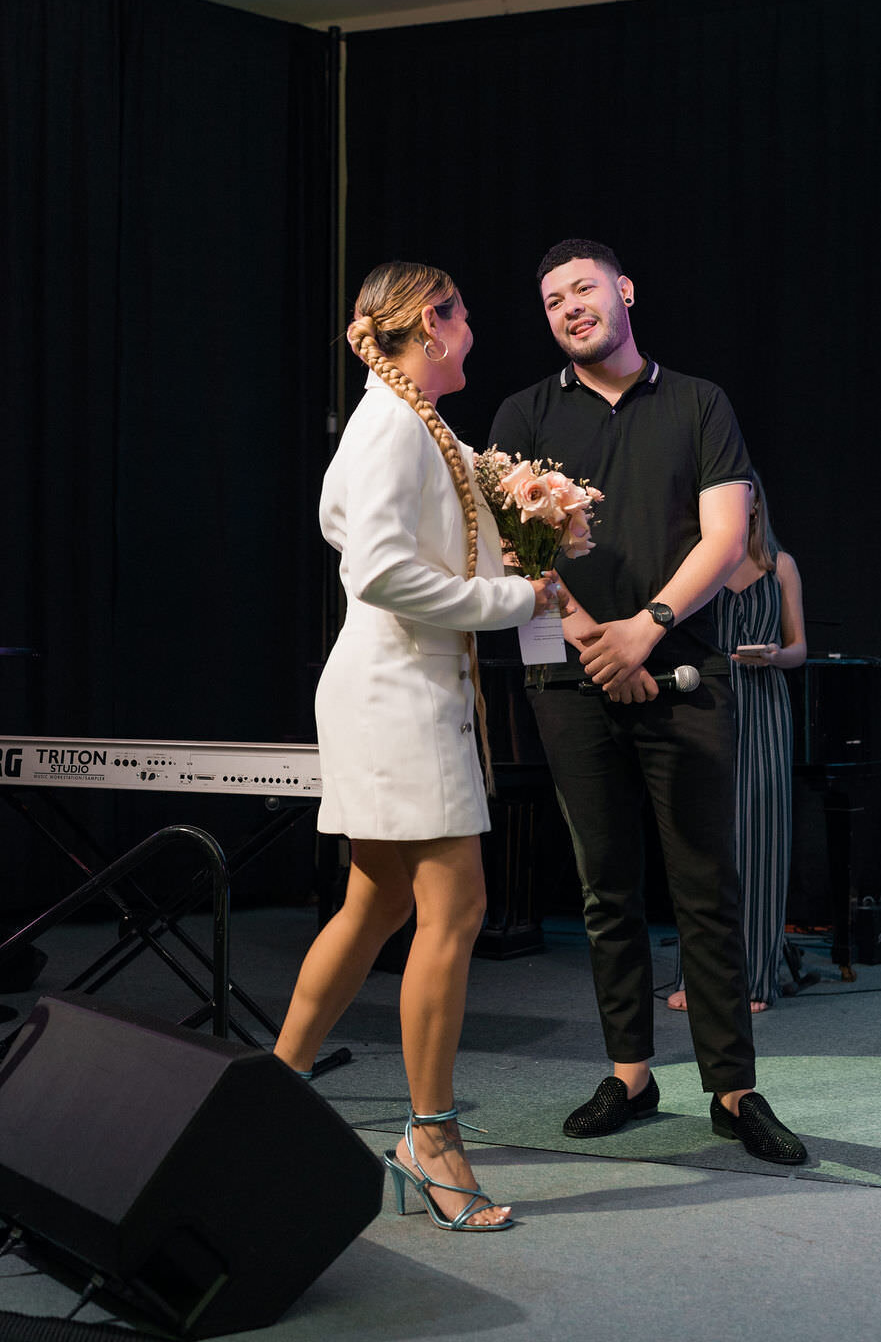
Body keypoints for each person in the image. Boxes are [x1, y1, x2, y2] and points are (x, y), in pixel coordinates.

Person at [489, 238, 806, 1166]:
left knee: (706, 887)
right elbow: (519, 552)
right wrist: (600, 639)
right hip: (567, 675)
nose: (569, 307)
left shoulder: (700, 402)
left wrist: (649, 627)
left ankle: (734, 1089)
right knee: (605, 889)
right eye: (551, 300)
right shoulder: (524, 412)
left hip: (684, 671)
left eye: (584, 289)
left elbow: (725, 533)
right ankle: (629, 1071)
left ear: (624, 291)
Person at [274, 260, 566, 1232]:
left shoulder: (408, 421)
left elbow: (335, 521)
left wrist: (533, 529)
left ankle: (268, 1097)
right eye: (465, 312)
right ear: (430, 327)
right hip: (396, 690)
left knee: (376, 900)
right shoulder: (392, 425)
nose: (476, 326)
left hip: (400, 683)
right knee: (456, 905)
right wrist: (515, 599)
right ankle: (431, 1140)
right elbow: (382, 568)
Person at [666, 471, 807, 1014]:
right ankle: (697, 978)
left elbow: (799, 649)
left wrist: (773, 655)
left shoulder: (780, 567)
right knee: (702, 843)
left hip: (765, 705)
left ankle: (754, 981)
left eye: (745, 500)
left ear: (754, 507)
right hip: (708, 702)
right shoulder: (699, 566)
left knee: (761, 844)